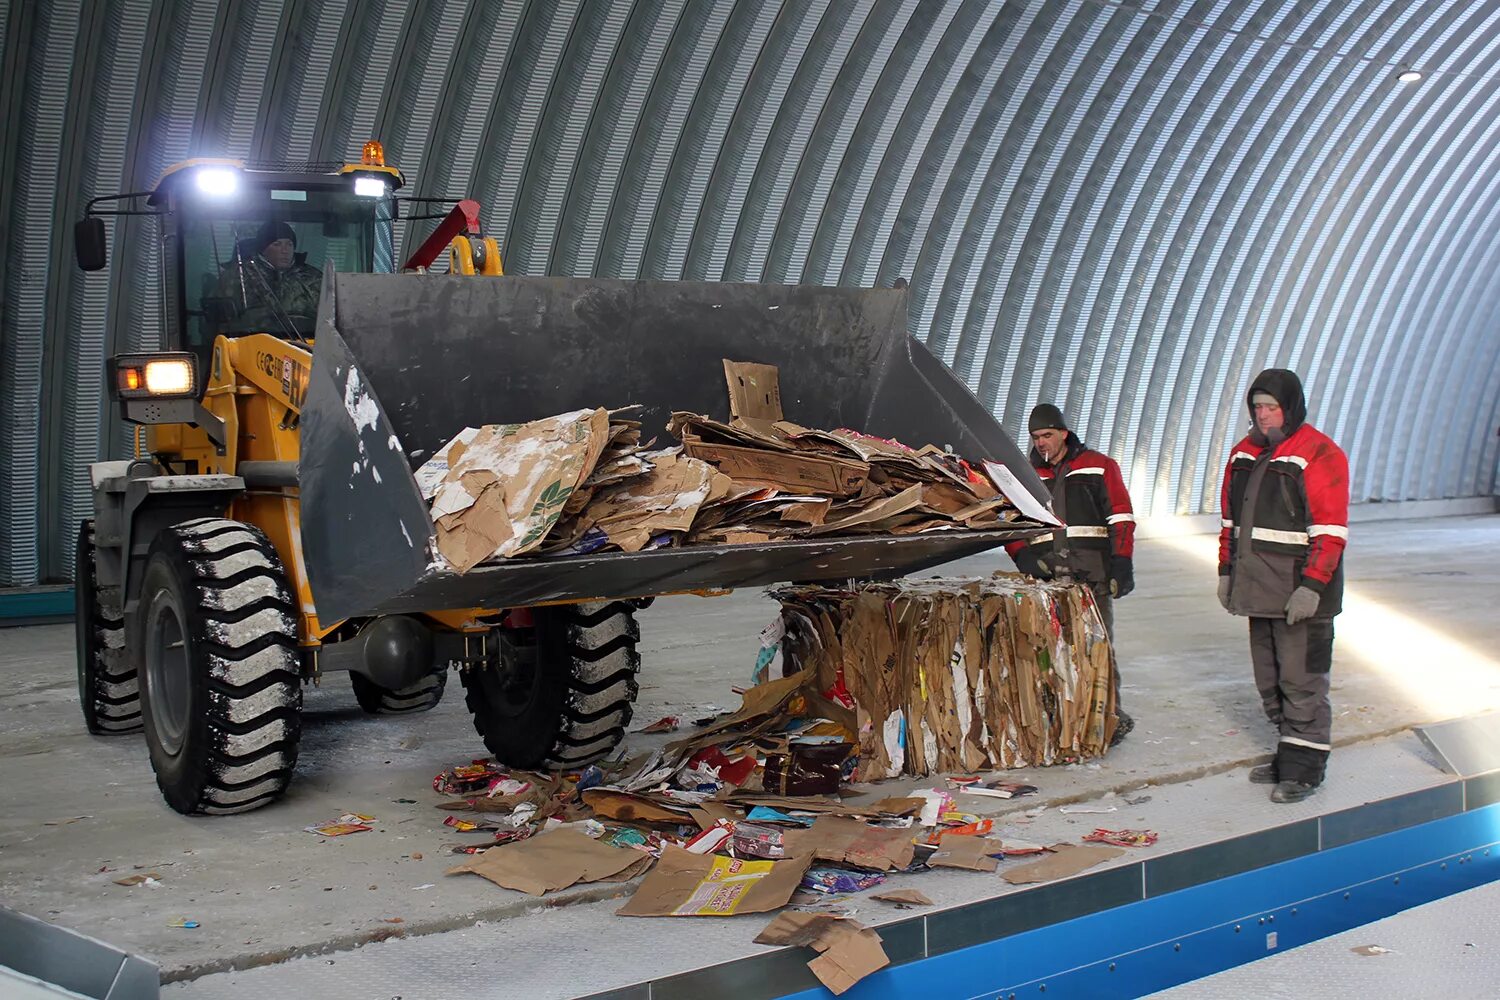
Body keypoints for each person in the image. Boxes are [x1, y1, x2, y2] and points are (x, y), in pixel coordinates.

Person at [1218, 369, 1349, 804]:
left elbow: (1330, 530)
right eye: (1257, 407)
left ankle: (1304, 770)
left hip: (1301, 595)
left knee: (1303, 681)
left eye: (1272, 407)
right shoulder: (1243, 453)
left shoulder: (1319, 452)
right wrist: (1225, 571)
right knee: (1270, 681)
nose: (1263, 415)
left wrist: (1312, 586)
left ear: (1290, 408)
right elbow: (1229, 523)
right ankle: (1289, 752)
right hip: (1258, 591)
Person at [1006, 403, 1136, 744]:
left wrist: (1122, 562)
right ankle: (1065, 717)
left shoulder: (1098, 466)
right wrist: (1023, 557)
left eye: (1047, 435)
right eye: (1035, 438)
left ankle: (1109, 717)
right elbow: (1008, 522)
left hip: (1091, 577)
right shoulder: (1025, 475)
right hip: (1047, 580)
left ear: (1064, 433)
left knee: (1098, 648)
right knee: (1053, 650)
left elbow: (1121, 517)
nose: (1041, 444)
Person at [212, 220, 321, 334]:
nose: (285, 250)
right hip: (249, 345)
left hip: (305, 345)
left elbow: (328, 318)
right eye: (277, 244)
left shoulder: (313, 278)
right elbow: (219, 321)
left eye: (289, 244)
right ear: (263, 249)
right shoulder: (238, 276)